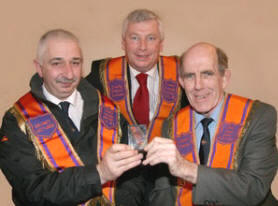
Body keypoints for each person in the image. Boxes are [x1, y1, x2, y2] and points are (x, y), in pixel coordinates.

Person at [0, 29, 143, 206]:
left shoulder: (109, 107)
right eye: (57, 63)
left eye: (75, 63)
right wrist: (99, 174)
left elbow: (137, 168)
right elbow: (32, 190)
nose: (68, 74)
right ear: (39, 68)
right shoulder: (16, 120)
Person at [142, 42, 278, 205]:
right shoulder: (170, 126)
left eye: (207, 74)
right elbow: (164, 194)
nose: (198, 86)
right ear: (181, 82)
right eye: (190, 76)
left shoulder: (258, 116)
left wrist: (187, 169)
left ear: (225, 78)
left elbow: (253, 188)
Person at [86, 9, 188, 141]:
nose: (142, 47)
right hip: (120, 158)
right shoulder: (101, 75)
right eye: (134, 38)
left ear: (161, 44)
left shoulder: (182, 73)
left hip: (170, 158)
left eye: (151, 38)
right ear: (123, 43)